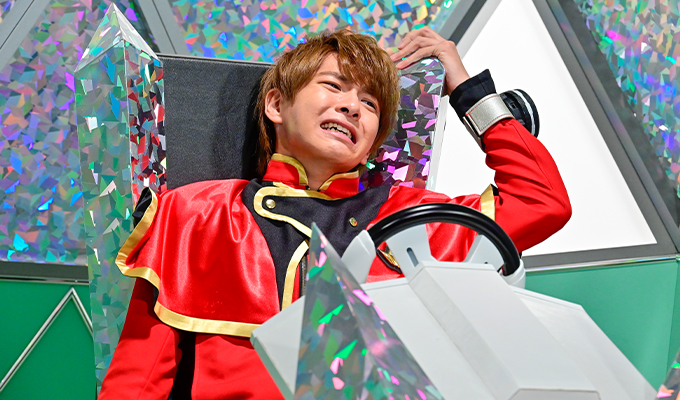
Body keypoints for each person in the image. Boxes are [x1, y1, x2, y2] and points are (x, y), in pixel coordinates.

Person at [99, 28, 571, 399]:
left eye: (370, 104)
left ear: (373, 142)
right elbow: (140, 376)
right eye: (333, 86)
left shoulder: (413, 219)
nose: (351, 106)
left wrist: (468, 91)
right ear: (276, 104)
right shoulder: (197, 213)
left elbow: (542, 201)